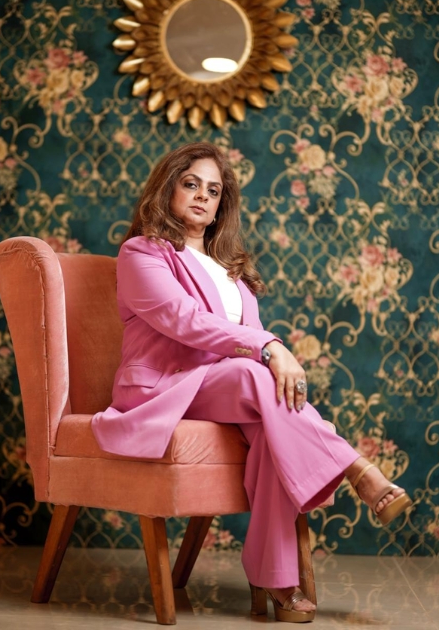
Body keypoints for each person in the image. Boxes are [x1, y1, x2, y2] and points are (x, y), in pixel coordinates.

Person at [90, 141, 410, 623]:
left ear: (222, 203)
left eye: (213, 190)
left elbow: (242, 341)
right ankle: (358, 471)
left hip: (225, 387)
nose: (202, 196)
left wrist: (265, 352)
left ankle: (275, 578)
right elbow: (184, 320)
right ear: (168, 188)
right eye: (191, 184)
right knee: (255, 372)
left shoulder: (231, 271)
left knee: (270, 430)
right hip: (164, 389)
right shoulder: (142, 252)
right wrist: (271, 347)